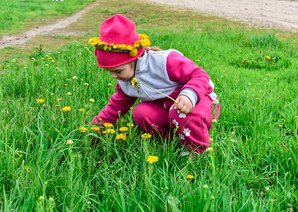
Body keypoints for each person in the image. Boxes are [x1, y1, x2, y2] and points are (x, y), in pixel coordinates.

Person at [88, 14, 220, 154]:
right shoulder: (126, 80)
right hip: (169, 110)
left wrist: (189, 96)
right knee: (140, 113)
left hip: (201, 104)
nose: (114, 76)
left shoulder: (164, 62)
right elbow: (116, 106)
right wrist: (96, 127)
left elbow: (199, 74)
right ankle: (174, 141)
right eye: (109, 72)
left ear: (135, 58)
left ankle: (197, 151)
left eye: (118, 71)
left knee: (179, 112)